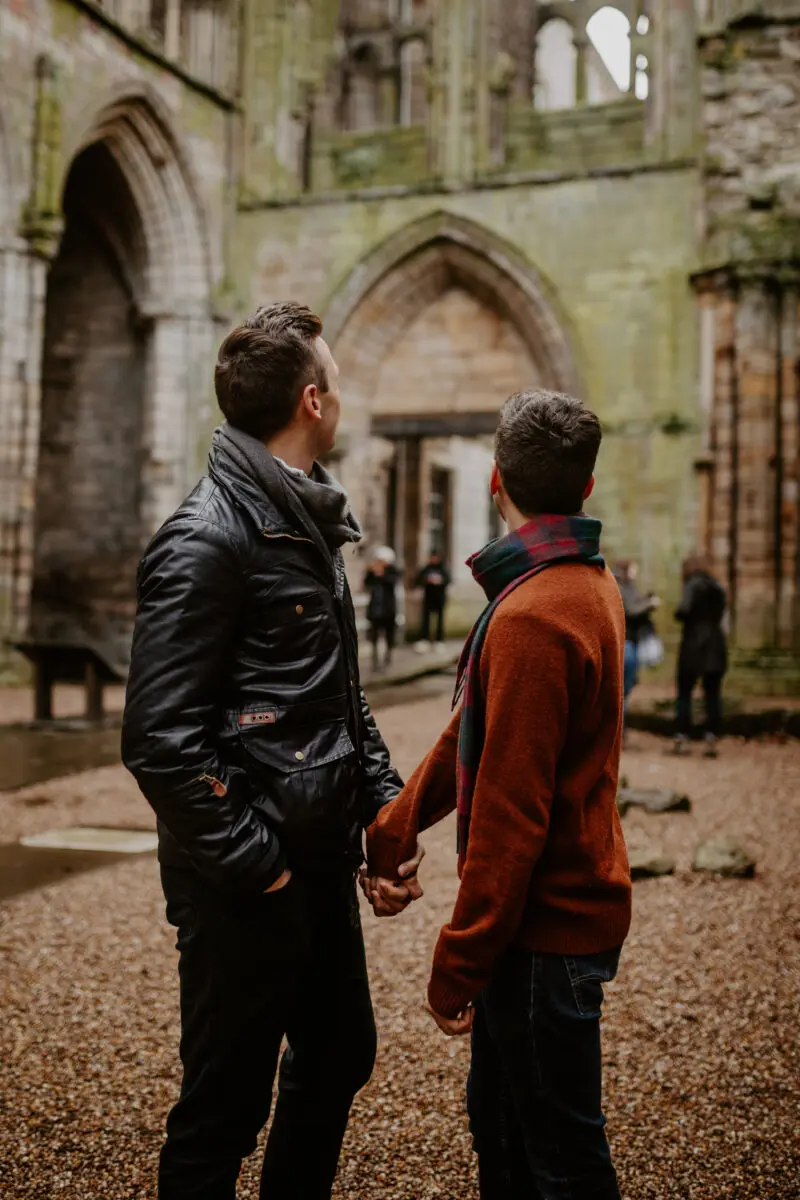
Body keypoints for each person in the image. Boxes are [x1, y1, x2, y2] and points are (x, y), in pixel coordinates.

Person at [121, 302, 423, 1200]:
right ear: (312, 399)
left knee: (339, 1055)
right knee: (222, 1110)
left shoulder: (308, 518)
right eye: (334, 377)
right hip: (248, 882)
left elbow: (336, 698)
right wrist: (264, 869)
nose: (340, 393)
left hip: (316, 859)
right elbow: (159, 741)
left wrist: (382, 809)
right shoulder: (208, 536)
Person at [362, 390, 632, 1200]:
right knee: (505, 1136)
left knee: (559, 1162)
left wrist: (458, 960)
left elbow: (513, 815)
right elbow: (478, 727)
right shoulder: (580, 583)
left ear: (493, 479)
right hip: (549, 932)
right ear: (585, 489)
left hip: (545, 938)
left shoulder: (535, 613)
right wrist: (394, 826)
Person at [674, 554, 727, 757]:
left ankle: (682, 737)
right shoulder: (717, 586)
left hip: (693, 647)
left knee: (685, 693)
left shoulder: (691, 585)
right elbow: (722, 611)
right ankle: (711, 737)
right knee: (713, 695)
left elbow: (682, 610)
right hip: (716, 646)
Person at [612, 559, 660, 722]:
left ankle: (620, 725)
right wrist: (648, 605)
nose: (635, 572)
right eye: (633, 569)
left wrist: (646, 600)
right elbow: (631, 609)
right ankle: (618, 726)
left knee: (626, 687)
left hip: (631, 641)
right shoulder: (619, 587)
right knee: (621, 688)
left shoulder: (629, 587)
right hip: (624, 643)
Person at [364, 546, 399, 672]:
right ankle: (375, 660)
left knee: (389, 635)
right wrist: (371, 572)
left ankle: (387, 658)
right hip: (375, 609)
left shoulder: (392, 570)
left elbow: (392, 582)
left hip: (388, 610)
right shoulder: (372, 571)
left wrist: (380, 574)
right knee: (374, 635)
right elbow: (366, 583)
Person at [415, 551, 451, 651]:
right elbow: (417, 580)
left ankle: (439, 640)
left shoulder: (443, 569)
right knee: (425, 620)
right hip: (428, 598)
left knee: (440, 620)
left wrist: (440, 581)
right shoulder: (426, 568)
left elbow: (448, 580)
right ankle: (424, 639)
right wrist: (427, 580)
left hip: (439, 598)